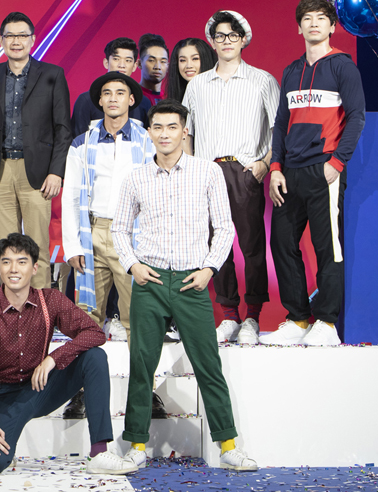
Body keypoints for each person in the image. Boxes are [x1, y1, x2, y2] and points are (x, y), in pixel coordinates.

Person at [110, 99, 258, 474]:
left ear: (184, 130)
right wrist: (132, 265)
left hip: (193, 281)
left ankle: (229, 446)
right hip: (151, 281)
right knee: (141, 365)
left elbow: (224, 227)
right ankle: (136, 446)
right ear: (149, 132)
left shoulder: (207, 172)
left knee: (208, 365)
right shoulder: (136, 177)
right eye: (158, 127)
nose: (165, 134)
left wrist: (209, 268)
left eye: (172, 127)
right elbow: (119, 229)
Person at [0, 233, 125, 474]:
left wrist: (53, 358)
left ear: (35, 268)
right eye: (6, 262)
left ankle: (99, 453)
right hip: (1, 397)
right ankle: (7, 446)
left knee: (95, 357)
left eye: (22, 262)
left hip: (39, 387)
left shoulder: (50, 300)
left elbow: (94, 333)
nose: (13, 269)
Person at [263, 0, 365, 347]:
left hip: (324, 171)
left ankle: (326, 322)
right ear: (299, 27)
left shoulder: (342, 67)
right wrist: (275, 167)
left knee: (327, 248)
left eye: (321, 18)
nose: (314, 23)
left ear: (332, 26)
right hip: (289, 173)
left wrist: (336, 163)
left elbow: (357, 117)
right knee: (282, 243)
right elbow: (280, 124)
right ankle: (298, 318)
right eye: (307, 18)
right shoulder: (291, 71)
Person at [182, 11, 280, 345]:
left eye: (233, 35)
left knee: (252, 246)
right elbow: (187, 132)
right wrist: (192, 169)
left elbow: (277, 129)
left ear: (243, 39)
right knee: (216, 246)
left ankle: (253, 316)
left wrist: (264, 164)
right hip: (208, 172)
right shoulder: (197, 84)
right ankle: (229, 315)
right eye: (220, 36)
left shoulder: (262, 81)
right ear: (212, 41)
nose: (226, 41)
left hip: (244, 170)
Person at [0, 12, 72, 289]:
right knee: (7, 252)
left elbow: (63, 128)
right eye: (10, 36)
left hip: (38, 173)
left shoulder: (52, 74)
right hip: (0, 171)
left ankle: (41, 307)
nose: (16, 41)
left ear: (33, 40)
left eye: (22, 35)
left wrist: (56, 172)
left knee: (37, 248)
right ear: (1, 41)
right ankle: (10, 307)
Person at [63, 73, 154, 336]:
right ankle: (87, 365)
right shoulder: (82, 143)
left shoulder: (148, 142)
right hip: (93, 233)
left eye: (120, 93)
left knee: (137, 316)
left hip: (132, 235)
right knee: (86, 320)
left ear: (131, 100)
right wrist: (72, 246)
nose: (113, 98)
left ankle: (141, 367)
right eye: (107, 93)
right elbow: (71, 197)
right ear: (100, 101)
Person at [71, 37, 140, 137]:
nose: (122, 65)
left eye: (128, 60)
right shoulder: (86, 101)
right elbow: (78, 141)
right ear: (106, 63)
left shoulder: (143, 103)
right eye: (116, 59)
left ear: (134, 66)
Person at [165, 38, 217, 103]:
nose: (188, 65)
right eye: (183, 60)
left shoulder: (216, 93)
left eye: (195, 59)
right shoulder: (175, 98)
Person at [137, 33, 169, 106]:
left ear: (168, 66)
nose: (157, 66)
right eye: (151, 60)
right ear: (139, 63)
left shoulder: (170, 98)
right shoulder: (132, 96)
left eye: (163, 61)